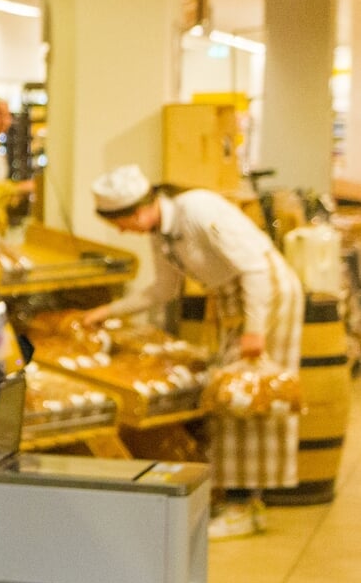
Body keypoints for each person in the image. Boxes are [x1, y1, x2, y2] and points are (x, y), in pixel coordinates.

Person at [82, 164, 303, 537]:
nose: (122, 232)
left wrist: (254, 331)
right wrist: (105, 313)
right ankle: (243, 498)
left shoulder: (197, 209)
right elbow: (163, 290)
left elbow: (254, 269)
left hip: (266, 296)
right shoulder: (162, 234)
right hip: (234, 300)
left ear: (137, 211)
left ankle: (243, 506)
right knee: (230, 398)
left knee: (244, 399)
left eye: (120, 224)